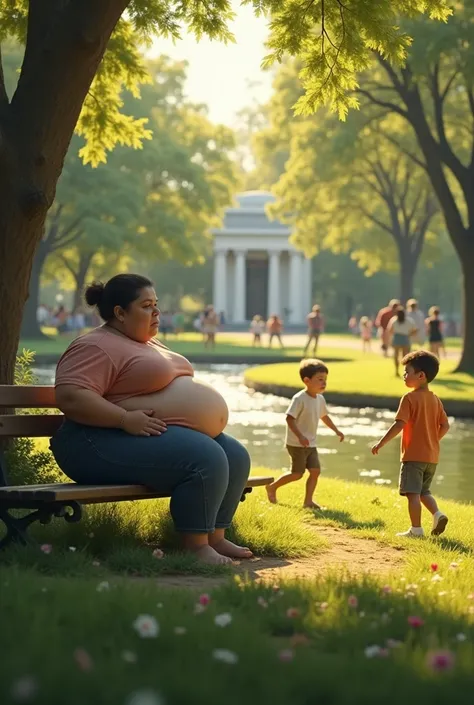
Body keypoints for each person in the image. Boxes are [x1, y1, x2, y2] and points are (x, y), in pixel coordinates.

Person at [49, 273, 252, 566]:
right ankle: (195, 547)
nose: (157, 312)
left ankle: (215, 538)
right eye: (146, 306)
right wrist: (123, 419)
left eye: (156, 304)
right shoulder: (96, 345)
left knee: (234, 454)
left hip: (136, 436)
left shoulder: (148, 343)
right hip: (93, 442)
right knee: (205, 457)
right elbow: (71, 396)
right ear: (120, 313)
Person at [371, 351, 450, 538]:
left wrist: (381, 443)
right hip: (431, 457)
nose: (404, 376)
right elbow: (445, 425)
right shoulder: (435, 399)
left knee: (412, 493)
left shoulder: (409, 398)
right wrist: (432, 440)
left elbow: (400, 424)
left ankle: (416, 530)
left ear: (421, 376)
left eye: (407, 372)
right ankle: (438, 514)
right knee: (424, 491)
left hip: (413, 456)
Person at [265, 359, 344, 510]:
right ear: (306, 380)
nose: (324, 383)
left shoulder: (320, 399)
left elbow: (324, 416)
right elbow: (289, 418)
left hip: (311, 443)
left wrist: (336, 430)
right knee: (297, 474)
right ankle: (272, 487)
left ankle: (308, 501)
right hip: (296, 443)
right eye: (320, 379)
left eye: (325, 379)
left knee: (315, 471)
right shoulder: (299, 398)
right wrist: (300, 436)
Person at [387, 307, 417, 377]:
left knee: (396, 355)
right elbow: (414, 330)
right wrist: (409, 334)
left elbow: (390, 330)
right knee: (405, 357)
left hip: (397, 338)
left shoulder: (394, 320)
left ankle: (396, 370)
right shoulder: (409, 320)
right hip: (405, 338)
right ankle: (405, 371)